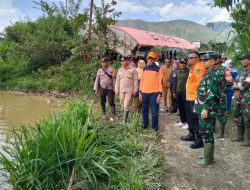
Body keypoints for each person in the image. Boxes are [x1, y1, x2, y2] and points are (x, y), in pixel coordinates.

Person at [193, 53, 220, 167]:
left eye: (206, 60)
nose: (203, 62)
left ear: (214, 61)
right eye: (202, 60)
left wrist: (206, 109)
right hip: (202, 107)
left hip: (206, 109)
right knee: (205, 132)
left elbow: (211, 94)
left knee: (207, 132)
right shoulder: (208, 74)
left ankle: (208, 160)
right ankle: (208, 156)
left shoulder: (213, 75)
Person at [181, 51, 206, 149]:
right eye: (188, 58)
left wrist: (197, 98)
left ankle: (199, 140)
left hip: (195, 98)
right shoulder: (193, 68)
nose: (189, 59)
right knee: (190, 118)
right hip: (189, 97)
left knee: (195, 119)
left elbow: (201, 84)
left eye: (191, 58)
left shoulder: (199, 68)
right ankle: (192, 134)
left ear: (197, 58)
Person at [139, 52, 163, 131]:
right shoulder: (144, 68)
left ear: (155, 59)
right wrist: (140, 92)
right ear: (147, 59)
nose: (150, 59)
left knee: (154, 111)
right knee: (144, 109)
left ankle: (154, 127)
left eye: (152, 58)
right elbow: (142, 81)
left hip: (154, 93)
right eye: (149, 58)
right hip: (144, 92)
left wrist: (159, 94)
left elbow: (160, 82)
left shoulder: (158, 69)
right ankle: (145, 124)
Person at [231, 53, 250, 146]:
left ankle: (248, 140)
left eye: (243, 59)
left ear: (249, 60)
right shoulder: (242, 70)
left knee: (248, 118)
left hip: (247, 99)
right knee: (238, 116)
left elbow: (246, 84)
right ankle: (240, 136)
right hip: (239, 98)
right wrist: (235, 91)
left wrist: (237, 88)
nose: (242, 61)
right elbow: (235, 80)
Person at [214, 55, 233, 140]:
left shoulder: (225, 70)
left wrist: (221, 86)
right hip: (211, 95)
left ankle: (221, 133)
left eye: (216, 58)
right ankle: (212, 129)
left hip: (220, 95)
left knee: (221, 113)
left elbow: (230, 81)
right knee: (211, 112)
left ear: (219, 59)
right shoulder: (211, 69)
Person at [115, 55, 138, 123]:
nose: (122, 62)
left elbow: (135, 80)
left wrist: (135, 89)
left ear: (128, 61)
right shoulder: (120, 70)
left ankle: (125, 121)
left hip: (129, 90)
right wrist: (116, 89)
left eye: (123, 61)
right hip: (121, 90)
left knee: (126, 105)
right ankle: (124, 117)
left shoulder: (133, 69)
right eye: (121, 61)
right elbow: (117, 81)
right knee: (122, 104)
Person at [173, 59, 189, 128]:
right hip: (178, 92)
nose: (182, 64)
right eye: (181, 63)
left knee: (186, 108)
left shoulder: (188, 72)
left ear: (185, 64)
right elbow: (175, 82)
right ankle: (182, 121)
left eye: (183, 63)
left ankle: (188, 123)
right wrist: (174, 92)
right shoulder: (177, 72)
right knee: (180, 107)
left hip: (185, 93)